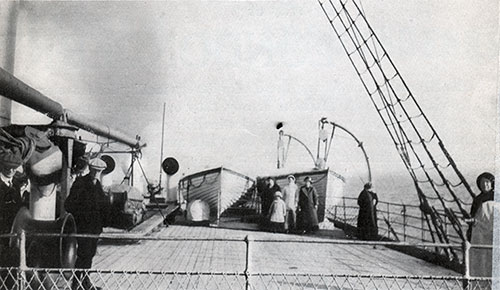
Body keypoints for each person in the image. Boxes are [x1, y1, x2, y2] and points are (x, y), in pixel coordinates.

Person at [65, 157, 109, 290]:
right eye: (95, 170)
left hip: (94, 228)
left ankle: (85, 282)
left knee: (90, 254)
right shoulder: (80, 183)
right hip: (83, 226)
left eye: (99, 171)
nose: (96, 174)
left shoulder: (97, 185)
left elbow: (102, 205)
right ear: (90, 169)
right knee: (84, 254)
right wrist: (83, 215)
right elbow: (69, 204)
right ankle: (77, 284)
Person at [0, 149, 23, 289]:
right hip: (2, 238)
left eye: (13, 168)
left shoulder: (14, 186)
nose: (10, 171)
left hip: (12, 238)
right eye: (7, 167)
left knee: (11, 274)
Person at [469, 172, 495, 284]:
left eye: (487, 182)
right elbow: (473, 216)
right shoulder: (477, 200)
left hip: (493, 233)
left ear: (492, 183)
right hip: (479, 234)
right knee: (480, 261)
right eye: (482, 182)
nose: (485, 185)